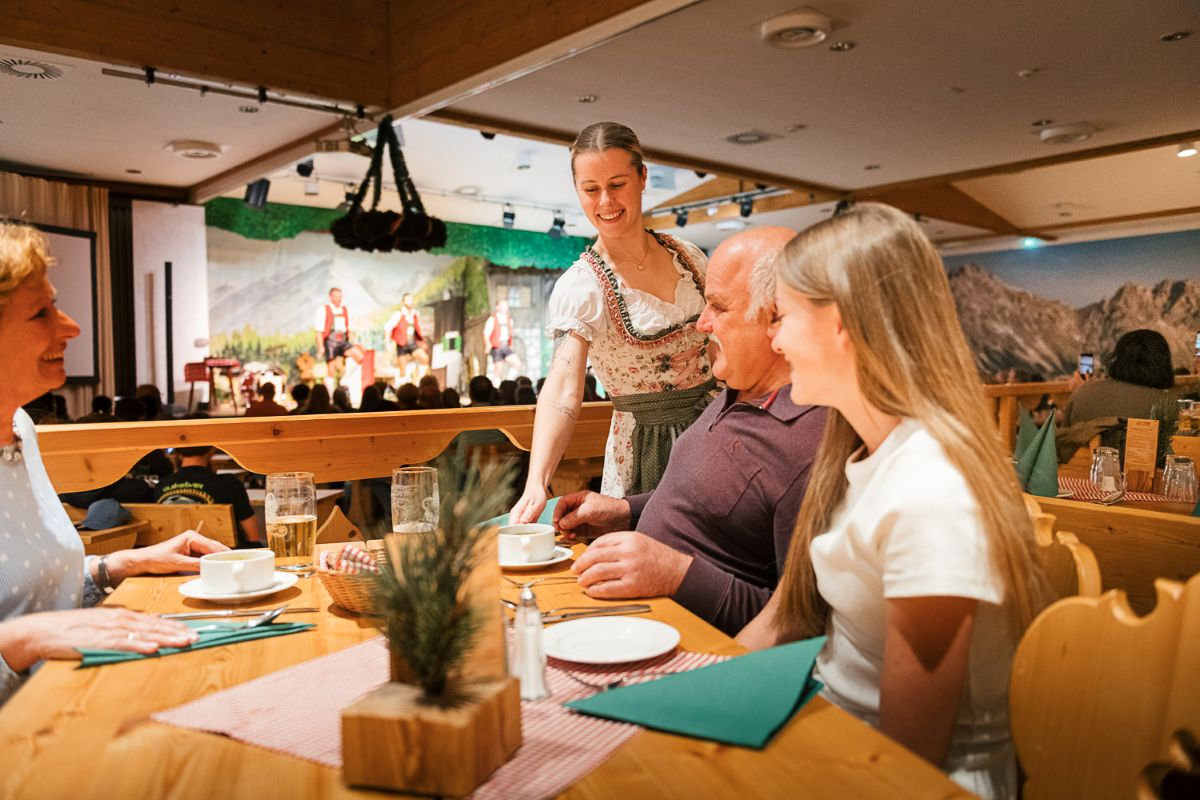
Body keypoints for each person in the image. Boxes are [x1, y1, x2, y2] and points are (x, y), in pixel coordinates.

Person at [736, 204, 1047, 800]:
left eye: (781, 316)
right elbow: (789, 617)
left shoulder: (932, 490)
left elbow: (913, 755)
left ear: (841, 322)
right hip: (833, 743)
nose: (773, 339)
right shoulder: (857, 451)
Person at [554, 228, 824, 634]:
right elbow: (713, 503)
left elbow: (800, 626)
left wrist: (676, 573)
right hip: (637, 613)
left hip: (693, 644)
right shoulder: (738, 387)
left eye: (718, 306)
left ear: (776, 318)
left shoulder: (809, 441)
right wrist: (624, 511)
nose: (701, 323)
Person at [0, 222, 227, 706]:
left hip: (69, 698)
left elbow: (36, 594)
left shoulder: (20, 427)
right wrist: (26, 639)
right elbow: (31, 625)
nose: (71, 327)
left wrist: (122, 564)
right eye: (41, 313)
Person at [511, 122, 714, 523]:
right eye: (591, 189)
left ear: (643, 178)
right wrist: (537, 480)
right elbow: (563, 389)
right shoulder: (581, 286)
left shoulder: (689, 257)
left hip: (713, 430)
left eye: (617, 184)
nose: (605, 201)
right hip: (643, 445)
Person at [1062, 329, 1176, 430]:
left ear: (1117, 359)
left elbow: (1063, 438)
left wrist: (1085, 388)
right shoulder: (1168, 408)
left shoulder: (1082, 394)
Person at [155, 444, 261, 548]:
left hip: (175, 555)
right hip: (223, 556)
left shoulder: (160, 486)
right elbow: (253, 537)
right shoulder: (228, 484)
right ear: (213, 449)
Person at [385, 293, 429, 381]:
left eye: (411, 300)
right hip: (402, 344)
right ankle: (401, 385)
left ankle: (420, 381)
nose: (410, 302)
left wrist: (420, 341)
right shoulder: (398, 314)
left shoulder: (414, 314)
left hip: (412, 343)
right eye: (408, 300)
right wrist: (387, 343)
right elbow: (387, 328)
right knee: (402, 370)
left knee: (424, 358)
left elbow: (417, 329)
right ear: (403, 302)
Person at [483, 298, 521, 382]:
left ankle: (508, 382)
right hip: (496, 346)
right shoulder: (492, 319)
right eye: (503, 306)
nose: (505, 308)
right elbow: (486, 333)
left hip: (505, 346)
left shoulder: (509, 319)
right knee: (498, 370)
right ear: (497, 307)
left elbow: (510, 333)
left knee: (517, 363)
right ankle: (496, 386)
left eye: (506, 306)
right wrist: (488, 344)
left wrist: (510, 344)